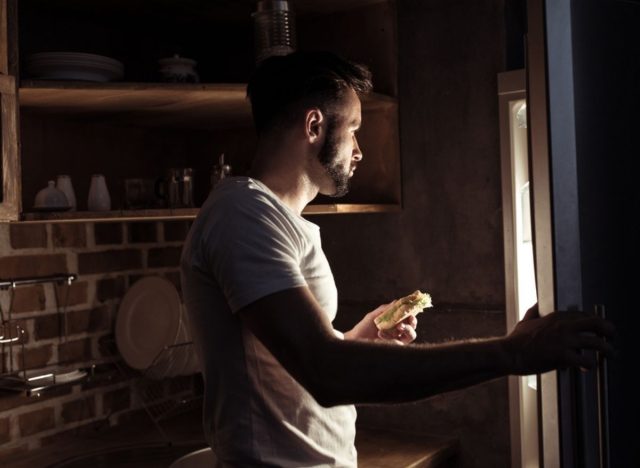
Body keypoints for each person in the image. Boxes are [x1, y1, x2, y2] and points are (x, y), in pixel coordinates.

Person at [180, 50, 614, 467]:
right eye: (353, 129)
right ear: (314, 125)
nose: (359, 151)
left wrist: (356, 339)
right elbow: (326, 372)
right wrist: (514, 353)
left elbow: (295, 362)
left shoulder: (275, 220)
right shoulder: (243, 215)